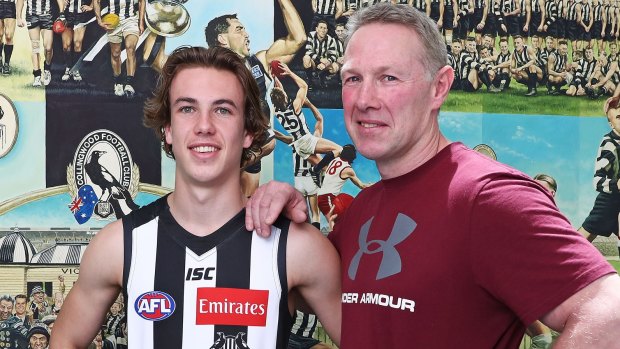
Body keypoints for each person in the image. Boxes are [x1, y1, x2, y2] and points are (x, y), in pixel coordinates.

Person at [245, 3, 620, 347]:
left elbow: (610, 313)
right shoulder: (364, 209)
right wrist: (288, 216)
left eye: (389, 78)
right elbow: (318, 293)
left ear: (439, 87)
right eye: (353, 78)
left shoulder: (488, 195)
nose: (364, 99)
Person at [50, 46, 341, 349]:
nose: (204, 126)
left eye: (223, 110)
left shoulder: (298, 247)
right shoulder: (119, 245)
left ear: (247, 132)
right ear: (168, 129)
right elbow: (65, 339)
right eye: (187, 109)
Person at [204, 0, 305, 196]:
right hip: (225, 147)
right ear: (223, 39)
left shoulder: (259, 62)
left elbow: (298, 39)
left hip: (255, 145)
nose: (247, 34)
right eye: (239, 30)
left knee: (246, 205)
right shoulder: (209, 70)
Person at [578, 97, 620, 249]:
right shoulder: (609, 144)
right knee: (585, 235)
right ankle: (561, 262)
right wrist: (616, 184)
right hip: (610, 198)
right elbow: (598, 180)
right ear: (611, 124)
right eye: (618, 117)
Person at [93, 0, 145, 98]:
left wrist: (141, 22)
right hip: (113, 21)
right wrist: (99, 20)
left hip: (130, 19)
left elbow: (142, 1)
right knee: (115, 54)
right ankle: (118, 82)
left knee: (130, 48)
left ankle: (129, 83)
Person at [316, 144, 369, 223]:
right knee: (335, 225)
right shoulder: (348, 170)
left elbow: (334, 154)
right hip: (327, 198)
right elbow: (362, 186)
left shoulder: (334, 160)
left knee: (347, 199)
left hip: (323, 197)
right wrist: (374, 185)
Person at [16, 0, 63, 87]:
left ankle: (47, 68)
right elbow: (20, 1)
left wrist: (62, 13)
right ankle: (37, 75)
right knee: (35, 47)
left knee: (48, 48)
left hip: (47, 16)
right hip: (32, 16)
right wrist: (18, 17)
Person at [59, 0, 93, 81]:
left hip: (81, 15)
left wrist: (91, 6)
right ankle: (68, 68)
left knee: (77, 44)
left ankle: (75, 69)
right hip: (67, 14)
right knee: (66, 46)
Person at [0, 0, 16, 74]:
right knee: (0, 34)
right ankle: (0, 59)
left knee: (9, 36)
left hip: (10, 5)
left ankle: (7, 63)